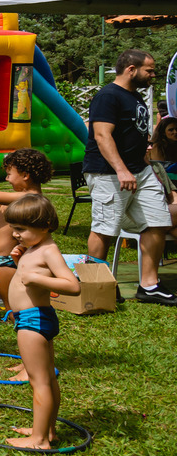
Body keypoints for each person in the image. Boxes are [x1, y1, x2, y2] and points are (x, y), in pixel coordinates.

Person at [83, 49, 177, 305]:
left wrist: (145, 164)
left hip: (141, 171)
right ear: (131, 69)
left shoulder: (135, 96)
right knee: (104, 229)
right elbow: (102, 136)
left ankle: (149, 286)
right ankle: (97, 285)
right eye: (150, 69)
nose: (153, 74)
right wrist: (122, 169)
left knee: (157, 222)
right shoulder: (107, 96)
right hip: (108, 173)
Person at [3, 195, 80, 449]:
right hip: (35, 318)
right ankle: (47, 429)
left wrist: (37, 279)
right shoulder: (35, 249)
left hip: (33, 321)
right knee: (47, 378)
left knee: (40, 381)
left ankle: (38, 440)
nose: (15, 234)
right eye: (14, 228)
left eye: (21, 229)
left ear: (45, 226)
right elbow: (28, 277)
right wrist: (20, 263)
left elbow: (72, 286)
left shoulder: (49, 250)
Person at [0, 146, 52, 308]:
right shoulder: (19, 198)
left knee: (13, 305)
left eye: (9, 174)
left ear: (25, 175)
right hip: (0, 260)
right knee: (11, 303)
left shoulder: (29, 197)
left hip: (8, 262)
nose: (7, 179)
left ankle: (18, 325)